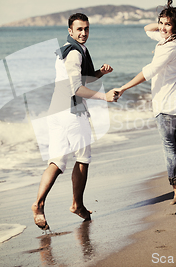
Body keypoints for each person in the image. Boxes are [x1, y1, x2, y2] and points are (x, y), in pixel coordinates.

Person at [114, 0, 176, 204]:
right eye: (161, 23)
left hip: (166, 107)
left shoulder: (166, 48)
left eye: (167, 24)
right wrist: (165, 20)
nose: (161, 28)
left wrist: (123, 87)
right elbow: (147, 28)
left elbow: (148, 72)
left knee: (170, 148)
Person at [32, 13, 118, 230]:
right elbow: (76, 88)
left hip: (56, 111)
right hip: (72, 113)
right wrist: (104, 97)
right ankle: (77, 204)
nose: (83, 33)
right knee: (83, 158)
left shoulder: (70, 49)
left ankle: (38, 205)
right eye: (79, 29)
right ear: (70, 31)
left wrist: (100, 72)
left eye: (86, 29)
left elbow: (82, 79)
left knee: (57, 161)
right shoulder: (75, 54)